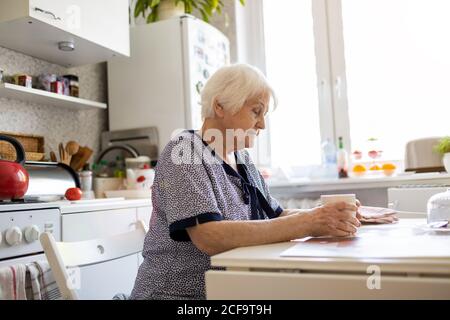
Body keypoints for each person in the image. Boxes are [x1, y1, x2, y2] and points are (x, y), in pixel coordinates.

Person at [130, 63, 360, 300]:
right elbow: (209, 237)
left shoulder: (242, 158)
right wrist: (309, 222)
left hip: (231, 290)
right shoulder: (184, 152)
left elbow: (276, 216)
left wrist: (333, 215)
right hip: (177, 296)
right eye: (256, 111)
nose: (262, 125)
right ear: (220, 105)